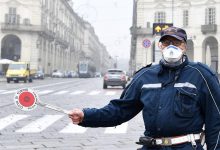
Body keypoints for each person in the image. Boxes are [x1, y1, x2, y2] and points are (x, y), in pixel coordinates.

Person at [68, 26, 220, 150]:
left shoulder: (202, 75)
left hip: (187, 147)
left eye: (176, 43)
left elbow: (216, 120)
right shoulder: (145, 76)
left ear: (184, 46)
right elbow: (120, 110)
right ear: (160, 46)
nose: (171, 47)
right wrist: (86, 116)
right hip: (152, 146)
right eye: (167, 43)